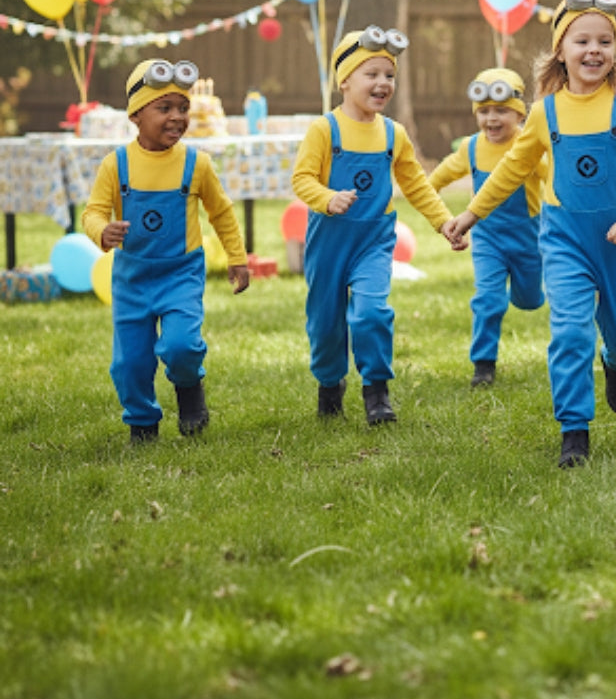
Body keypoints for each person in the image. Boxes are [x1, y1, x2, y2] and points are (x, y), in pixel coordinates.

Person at [448, 0, 616, 468]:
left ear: (615, 50)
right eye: (581, 40)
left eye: (604, 41)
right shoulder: (544, 112)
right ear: (560, 51)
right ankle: (574, 430)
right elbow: (509, 169)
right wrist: (470, 214)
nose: (594, 50)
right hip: (564, 240)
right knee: (569, 331)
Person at [291, 26, 466, 425]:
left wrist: (443, 222)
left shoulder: (393, 133)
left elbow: (416, 184)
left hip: (372, 240)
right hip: (329, 241)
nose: (383, 83)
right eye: (372, 74)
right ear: (345, 80)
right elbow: (302, 179)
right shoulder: (324, 130)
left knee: (371, 313)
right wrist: (327, 199)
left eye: (389, 75)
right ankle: (330, 384)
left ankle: (377, 391)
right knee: (325, 324)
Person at [83, 58, 250, 443]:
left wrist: (237, 258)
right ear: (136, 115)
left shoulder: (196, 164)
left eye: (183, 108)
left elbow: (221, 212)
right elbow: (93, 212)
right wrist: (101, 231)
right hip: (132, 278)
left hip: (181, 273)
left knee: (181, 346)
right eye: (165, 108)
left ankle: (190, 388)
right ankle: (142, 422)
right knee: (130, 362)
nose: (177, 117)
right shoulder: (116, 165)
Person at [429, 67, 546, 387]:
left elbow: (555, 177)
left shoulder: (529, 146)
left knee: (529, 300)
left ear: (520, 115)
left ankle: (526, 292)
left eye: (501, 111)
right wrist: (426, 192)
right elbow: (441, 175)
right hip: (487, 240)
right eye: (484, 111)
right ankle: (483, 365)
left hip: (529, 239)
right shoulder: (471, 147)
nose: (491, 119)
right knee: (488, 300)